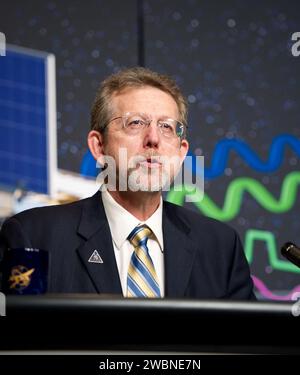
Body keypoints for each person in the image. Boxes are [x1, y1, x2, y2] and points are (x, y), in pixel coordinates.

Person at [0, 67, 255, 299]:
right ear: (99, 146)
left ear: (180, 153)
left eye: (167, 127)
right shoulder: (34, 236)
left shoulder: (220, 247)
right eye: (135, 123)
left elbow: (246, 347)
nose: (153, 138)